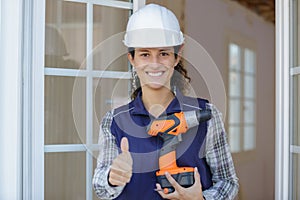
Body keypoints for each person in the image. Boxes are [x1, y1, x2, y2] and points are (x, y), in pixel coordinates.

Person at [93, 4, 239, 200]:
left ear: (177, 57)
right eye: (145, 54)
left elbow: (228, 182)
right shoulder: (114, 121)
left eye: (164, 53)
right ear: (132, 59)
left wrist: (201, 199)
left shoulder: (207, 115)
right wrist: (112, 176)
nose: (155, 64)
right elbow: (101, 189)